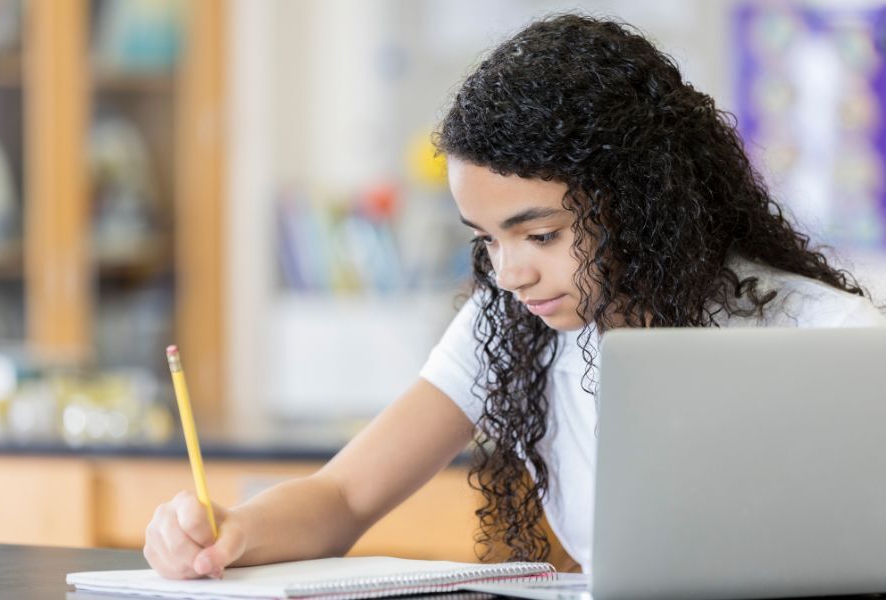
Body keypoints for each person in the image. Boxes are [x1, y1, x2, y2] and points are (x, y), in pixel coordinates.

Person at [143, 14, 886, 580]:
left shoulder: (837, 338)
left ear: (640, 201)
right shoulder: (513, 326)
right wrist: (231, 529)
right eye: (487, 240)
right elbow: (342, 498)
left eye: (540, 235)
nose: (509, 274)